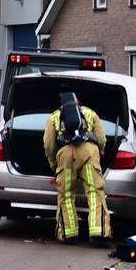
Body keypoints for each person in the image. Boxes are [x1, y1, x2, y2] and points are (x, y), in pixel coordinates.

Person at [43, 91, 110, 247]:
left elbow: (49, 145)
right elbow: (101, 139)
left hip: (65, 155)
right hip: (89, 153)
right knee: (94, 192)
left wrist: (53, 164)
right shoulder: (90, 113)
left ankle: (68, 234)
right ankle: (98, 233)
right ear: (78, 102)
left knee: (66, 195)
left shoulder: (54, 117)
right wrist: (100, 151)